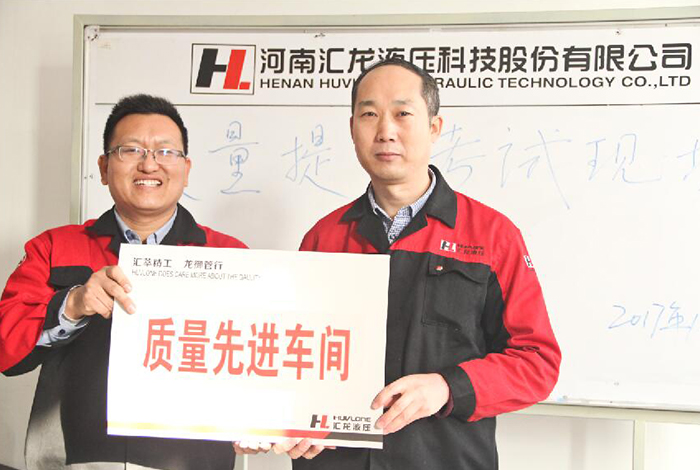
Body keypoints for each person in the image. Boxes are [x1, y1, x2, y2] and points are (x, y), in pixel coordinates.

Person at [271, 57, 562, 468]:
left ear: (434, 127)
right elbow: (290, 357)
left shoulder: (492, 235)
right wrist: (278, 417)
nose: (385, 130)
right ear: (352, 128)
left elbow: (536, 361)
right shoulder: (325, 237)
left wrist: (447, 388)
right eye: (369, 114)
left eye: (402, 114)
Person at [0, 94, 246, 470]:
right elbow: (6, 348)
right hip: (73, 461)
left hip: (193, 462)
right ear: (103, 168)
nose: (149, 163)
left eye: (165, 151)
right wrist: (72, 305)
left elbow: (259, 360)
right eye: (130, 150)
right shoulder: (53, 247)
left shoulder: (230, 255)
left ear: (186, 168)